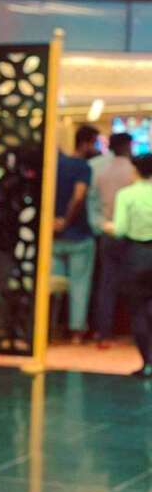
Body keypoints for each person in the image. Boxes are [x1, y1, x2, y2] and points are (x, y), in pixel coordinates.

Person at [52, 124, 100, 344]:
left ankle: (50, 328)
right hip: (78, 235)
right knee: (79, 285)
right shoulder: (82, 166)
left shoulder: (55, 164)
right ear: (86, 143)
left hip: (53, 236)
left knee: (54, 287)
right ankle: (76, 332)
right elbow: (79, 196)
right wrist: (66, 220)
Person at [89, 132, 135, 346]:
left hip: (107, 232)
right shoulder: (134, 172)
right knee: (138, 286)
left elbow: (92, 202)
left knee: (107, 284)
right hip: (133, 236)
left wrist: (99, 225)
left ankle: (104, 331)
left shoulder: (99, 169)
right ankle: (135, 332)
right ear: (127, 147)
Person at [112, 154, 152, 378]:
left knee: (138, 311)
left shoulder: (126, 195)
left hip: (137, 255)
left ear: (135, 170)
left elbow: (120, 229)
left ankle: (147, 362)